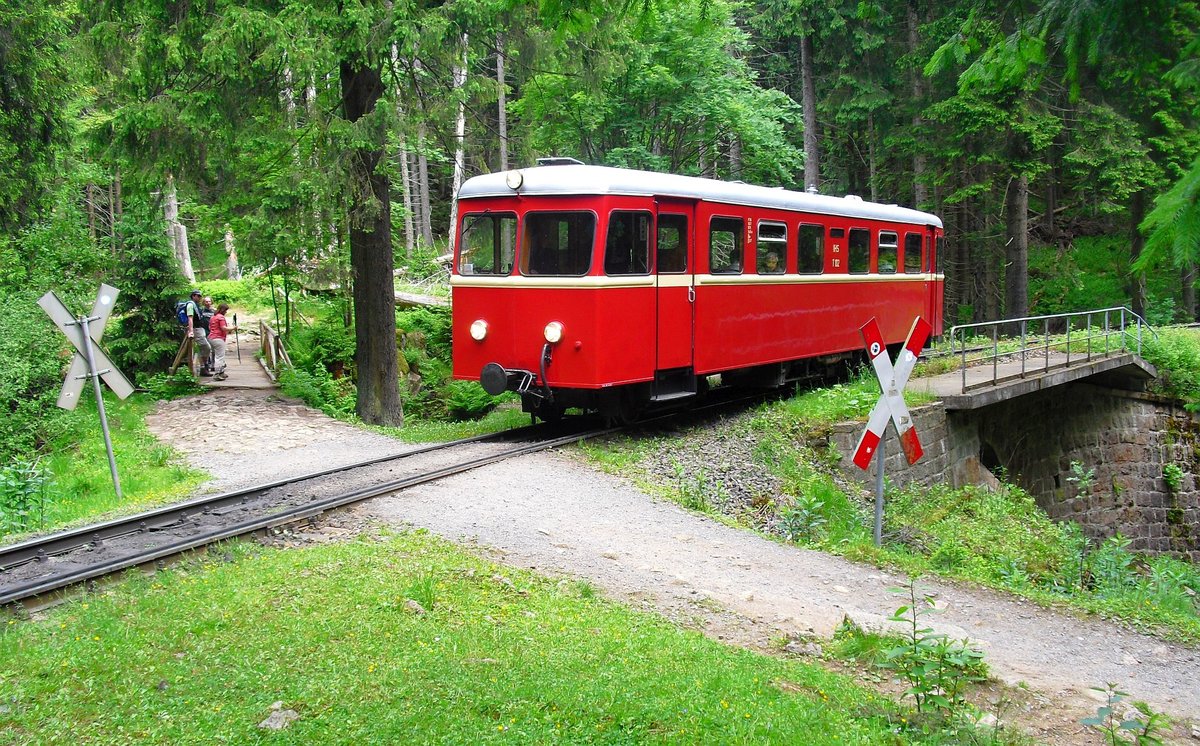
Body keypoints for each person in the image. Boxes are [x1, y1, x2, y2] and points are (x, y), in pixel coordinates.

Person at [185, 290, 212, 376]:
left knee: (203, 349)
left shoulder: (196, 305)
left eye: (200, 296)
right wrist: (191, 331)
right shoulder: (190, 305)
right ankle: (203, 366)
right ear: (193, 296)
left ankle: (203, 367)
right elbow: (190, 318)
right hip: (196, 329)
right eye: (198, 296)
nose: (200, 298)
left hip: (200, 329)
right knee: (206, 347)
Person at [207, 303, 235, 380]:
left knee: (218, 355)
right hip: (218, 338)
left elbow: (210, 327)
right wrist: (233, 328)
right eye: (225, 310)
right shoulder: (221, 317)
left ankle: (221, 372)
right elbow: (223, 328)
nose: (226, 312)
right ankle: (217, 374)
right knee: (220, 356)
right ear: (222, 310)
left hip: (211, 337)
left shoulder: (213, 317)